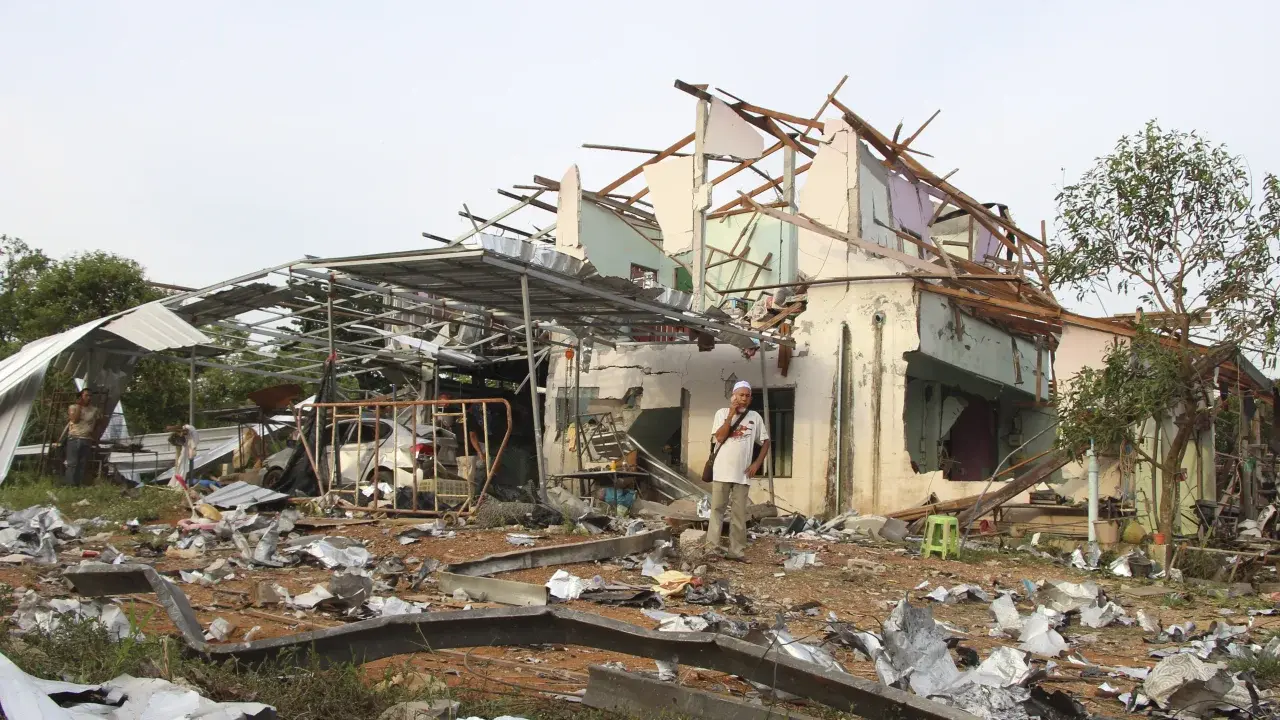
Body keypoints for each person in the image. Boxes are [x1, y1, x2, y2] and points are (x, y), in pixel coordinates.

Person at [706, 380, 770, 560]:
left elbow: (766, 442)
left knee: (739, 514)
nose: (744, 398)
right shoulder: (721, 413)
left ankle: (736, 551)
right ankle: (711, 550)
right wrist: (731, 415)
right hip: (721, 472)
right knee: (717, 511)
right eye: (741, 395)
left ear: (750, 399)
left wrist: (757, 464)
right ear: (733, 396)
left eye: (747, 396)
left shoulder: (755, 417)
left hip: (742, 475)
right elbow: (719, 437)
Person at [64, 388, 101, 487]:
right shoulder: (73, 407)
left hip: (87, 438)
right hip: (74, 437)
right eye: (86, 395)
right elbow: (74, 420)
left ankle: (78, 484)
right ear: (81, 396)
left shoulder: (94, 410)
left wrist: (93, 434)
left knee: (82, 463)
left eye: (90, 396)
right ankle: (70, 485)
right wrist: (79, 407)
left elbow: (98, 423)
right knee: (72, 463)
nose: (88, 398)